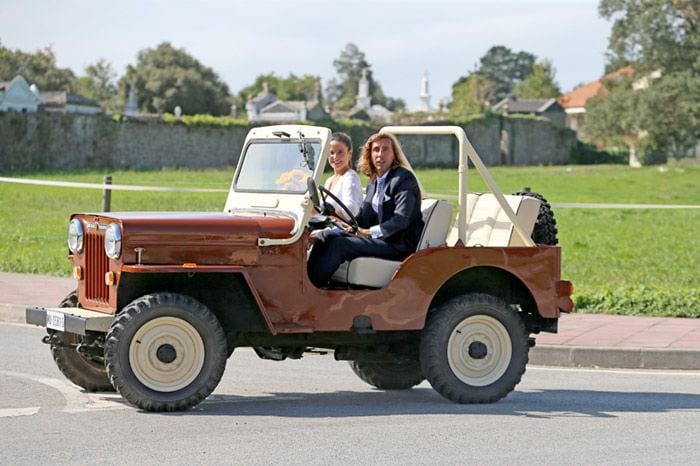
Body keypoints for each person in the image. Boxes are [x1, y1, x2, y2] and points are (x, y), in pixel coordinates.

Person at [307, 132, 424, 288]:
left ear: (394, 153)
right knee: (325, 236)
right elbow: (363, 217)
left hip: (398, 244)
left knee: (340, 245)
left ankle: (312, 288)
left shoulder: (403, 179)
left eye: (385, 149)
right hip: (381, 240)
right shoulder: (374, 182)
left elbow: (401, 219)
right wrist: (346, 226)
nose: (380, 154)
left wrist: (369, 232)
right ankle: (304, 282)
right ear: (370, 154)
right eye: (376, 149)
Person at [323, 132, 363, 220]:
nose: (335, 157)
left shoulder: (350, 177)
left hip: (341, 230)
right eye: (332, 152)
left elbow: (351, 210)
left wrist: (323, 216)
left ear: (349, 153)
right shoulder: (329, 180)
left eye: (340, 152)